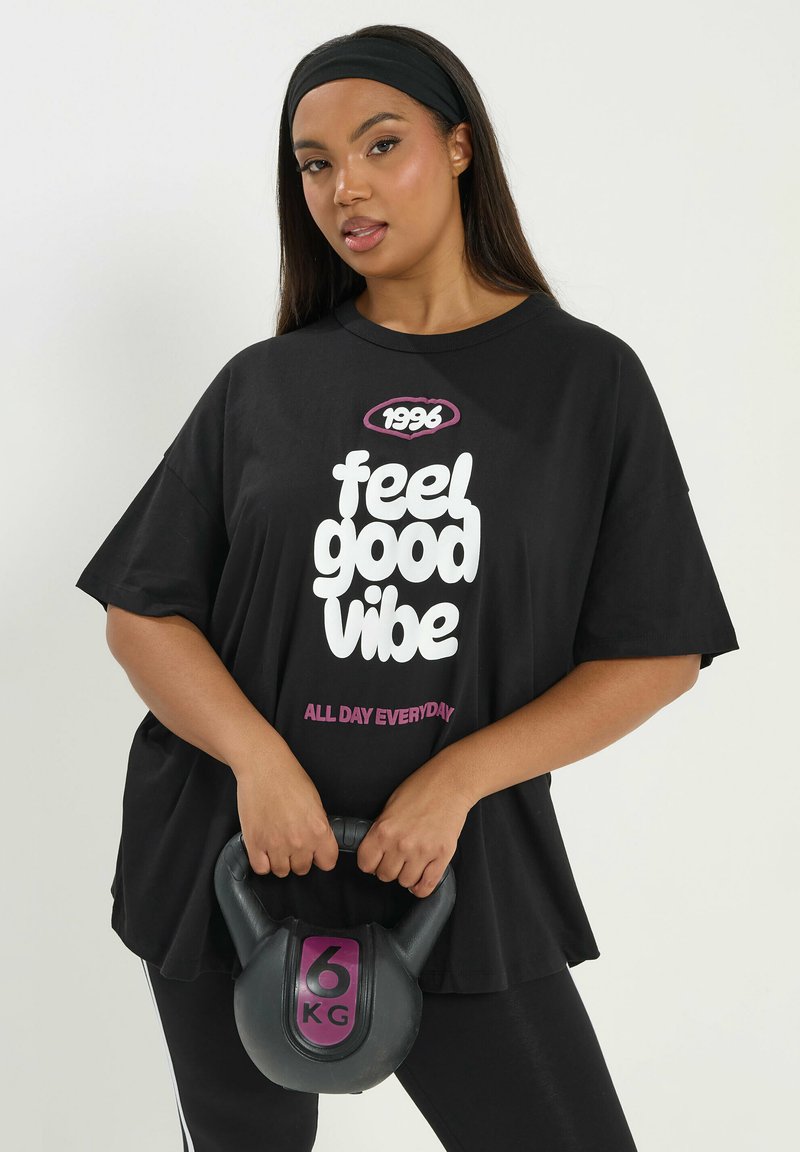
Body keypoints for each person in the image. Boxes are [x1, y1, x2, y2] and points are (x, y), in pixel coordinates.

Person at [75, 24, 739, 1152]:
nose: (346, 187)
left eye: (381, 145)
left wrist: (456, 782)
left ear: (460, 147)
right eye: (315, 163)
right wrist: (257, 763)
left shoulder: (585, 381)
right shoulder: (264, 384)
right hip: (232, 865)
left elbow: (656, 650)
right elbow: (144, 610)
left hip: (454, 873)